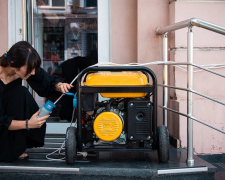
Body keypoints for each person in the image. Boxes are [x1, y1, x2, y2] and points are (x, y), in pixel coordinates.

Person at [0, 41, 73, 162]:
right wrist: (28, 124)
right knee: (20, 93)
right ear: (13, 64)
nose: (33, 72)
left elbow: (46, 81)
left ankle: (15, 146)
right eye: (30, 69)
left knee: (20, 92)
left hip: (7, 116)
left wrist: (59, 86)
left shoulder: (22, 68)